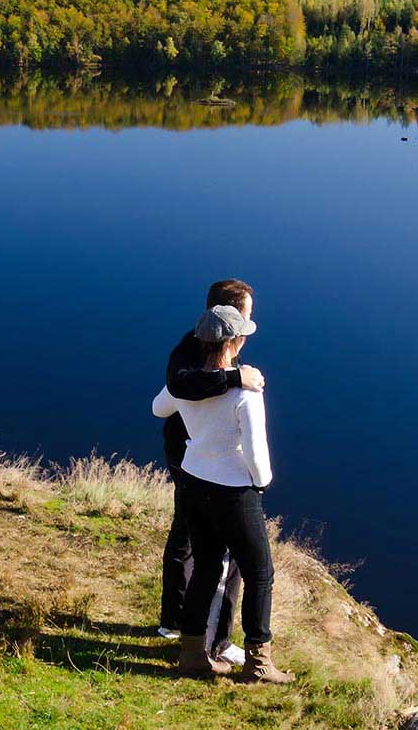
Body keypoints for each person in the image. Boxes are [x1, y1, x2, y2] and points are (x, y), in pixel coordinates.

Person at [153, 303, 293, 684]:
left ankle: (193, 655)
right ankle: (258, 663)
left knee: (206, 567)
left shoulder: (186, 383)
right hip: (234, 492)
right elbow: (256, 452)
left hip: (193, 479)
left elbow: (159, 407)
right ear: (234, 342)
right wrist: (261, 482)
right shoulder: (246, 392)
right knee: (260, 574)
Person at [158, 279, 264, 669]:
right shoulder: (191, 349)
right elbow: (178, 384)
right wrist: (235, 379)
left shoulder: (200, 344)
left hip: (192, 458)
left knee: (193, 543)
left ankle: (185, 627)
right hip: (197, 461)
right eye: (248, 315)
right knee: (220, 557)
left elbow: (163, 401)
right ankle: (200, 634)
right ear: (232, 318)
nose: (253, 323)